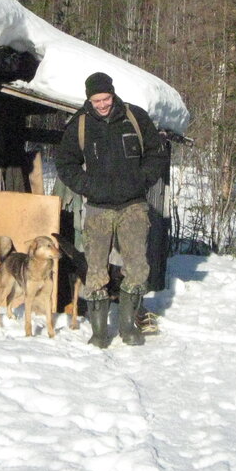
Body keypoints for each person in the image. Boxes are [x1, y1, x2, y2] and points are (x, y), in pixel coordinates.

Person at [55, 71, 167, 347]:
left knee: (138, 268)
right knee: (95, 270)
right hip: (97, 208)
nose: (102, 105)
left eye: (105, 98)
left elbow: (156, 152)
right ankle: (100, 332)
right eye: (96, 100)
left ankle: (128, 327)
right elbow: (65, 163)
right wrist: (86, 186)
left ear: (113, 94)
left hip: (133, 206)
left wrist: (142, 179)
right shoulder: (80, 125)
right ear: (88, 99)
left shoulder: (135, 118)